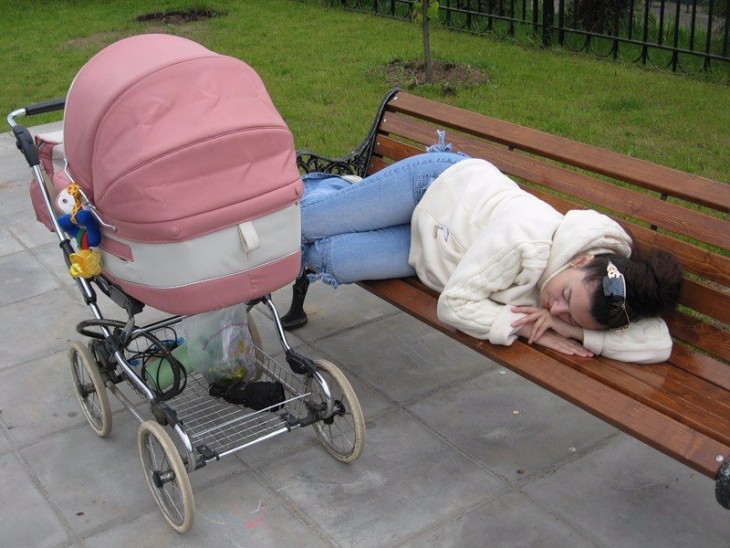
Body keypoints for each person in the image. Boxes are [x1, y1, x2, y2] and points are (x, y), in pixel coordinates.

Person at [291, 149, 683, 364]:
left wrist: (575, 331)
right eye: (565, 296)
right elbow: (454, 305)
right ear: (580, 261)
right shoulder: (526, 239)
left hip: (429, 246)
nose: (556, 307)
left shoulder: (611, 286)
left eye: (567, 313)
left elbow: (657, 344)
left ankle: (344, 200)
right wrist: (532, 329)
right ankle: (335, 192)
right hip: (436, 187)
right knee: (299, 226)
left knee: (329, 257)